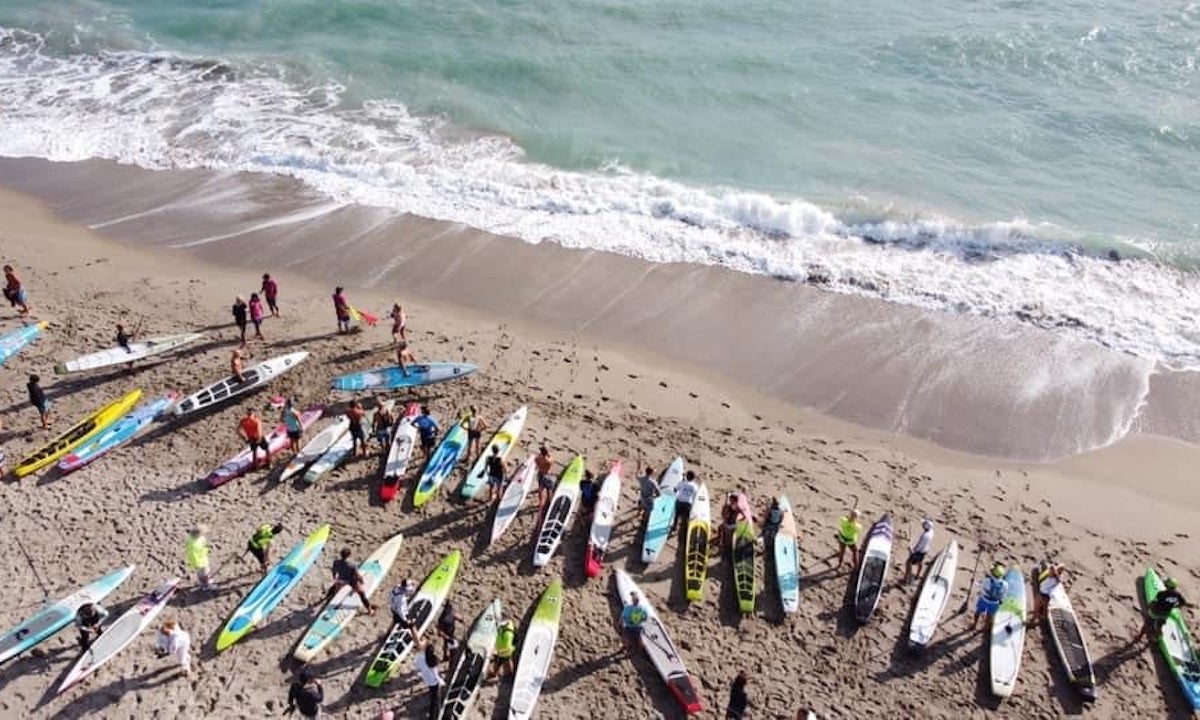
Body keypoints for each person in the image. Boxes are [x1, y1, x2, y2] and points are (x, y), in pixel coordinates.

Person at [1138, 576, 1190, 642]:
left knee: (1147, 623)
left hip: (1155, 612)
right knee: (1159, 626)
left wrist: (1149, 606)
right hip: (1165, 614)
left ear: (1167, 586)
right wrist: (1174, 606)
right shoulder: (1177, 595)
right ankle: (1157, 637)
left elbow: (1154, 602)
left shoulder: (1162, 594)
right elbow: (1183, 603)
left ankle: (1140, 636)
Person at [324, 548, 375, 614]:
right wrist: (361, 580)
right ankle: (370, 610)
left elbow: (333, 571)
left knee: (333, 588)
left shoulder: (336, 562)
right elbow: (357, 575)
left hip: (341, 579)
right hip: (351, 581)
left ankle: (327, 599)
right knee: (362, 594)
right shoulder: (352, 565)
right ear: (349, 555)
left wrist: (335, 579)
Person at [973, 562, 1010, 630]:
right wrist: (1001, 600)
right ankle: (985, 627)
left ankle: (974, 625)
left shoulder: (987, 580)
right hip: (994, 603)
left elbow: (981, 587)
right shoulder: (1005, 584)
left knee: (978, 612)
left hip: (984, 600)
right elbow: (1004, 594)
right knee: (990, 616)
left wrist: (975, 582)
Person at [1031, 559, 1067, 625]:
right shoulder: (1054, 575)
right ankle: (1035, 619)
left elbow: (1056, 576)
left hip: (1045, 594)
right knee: (1039, 608)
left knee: (1041, 609)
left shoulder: (1057, 577)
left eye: (1060, 569)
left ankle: (1039, 620)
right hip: (1042, 592)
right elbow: (1052, 570)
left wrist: (1055, 571)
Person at [414, 641, 443, 720]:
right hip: (434, 682)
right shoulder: (432, 660)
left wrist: (420, 673)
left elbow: (416, 667)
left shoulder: (420, 657)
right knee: (435, 700)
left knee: (433, 695)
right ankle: (433, 717)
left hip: (427, 680)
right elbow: (435, 675)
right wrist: (442, 682)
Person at [904, 519, 935, 585]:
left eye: (923, 525)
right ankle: (917, 575)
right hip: (924, 551)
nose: (922, 525)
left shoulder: (925, 536)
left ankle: (906, 579)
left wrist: (912, 550)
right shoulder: (931, 532)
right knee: (920, 563)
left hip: (919, 552)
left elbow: (919, 545)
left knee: (908, 563)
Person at [617, 589, 649, 654]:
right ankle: (640, 649)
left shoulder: (627, 608)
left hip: (629, 627)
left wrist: (619, 624)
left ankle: (625, 647)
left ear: (632, 601)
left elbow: (622, 618)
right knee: (640, 637)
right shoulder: (643, 609)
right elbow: (645, 618)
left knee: (625, 637)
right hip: (638, 627)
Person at [185, 525, 215, 591]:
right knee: (204, 574)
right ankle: (206, 586)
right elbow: (192, 555)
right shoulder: (193, 544)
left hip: (202, 558)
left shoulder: (197, 538)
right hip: (199, 562)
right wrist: (197, 564)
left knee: (203, 573)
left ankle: (202, 582)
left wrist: (206, 547)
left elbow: (203, 542)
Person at [535, 446, 555, 511]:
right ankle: (550, 502)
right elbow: (552, 461)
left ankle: (540, 503)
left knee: (541, 489)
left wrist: (541, 455)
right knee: (550, 489)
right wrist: (549, 455)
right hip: (547, 475)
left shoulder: (538, 459)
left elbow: (536, 460)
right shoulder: (548, 461)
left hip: (540, 474)